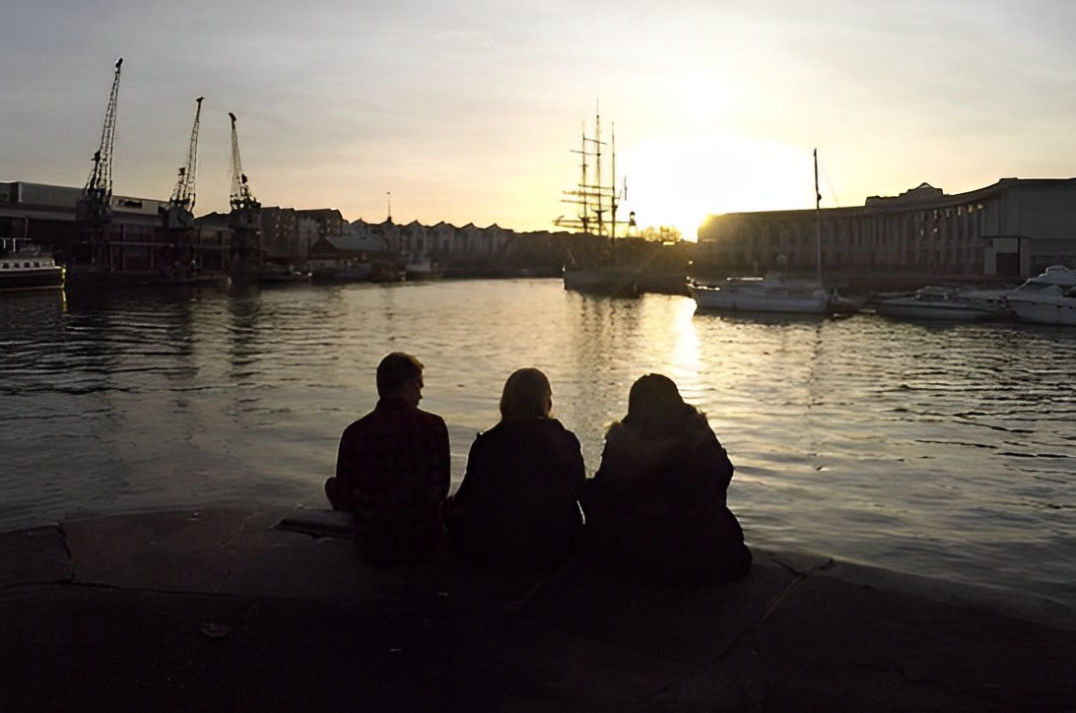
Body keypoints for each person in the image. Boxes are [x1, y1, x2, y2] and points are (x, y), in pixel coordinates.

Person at [584, 373, 751, 586]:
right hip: (705, 551)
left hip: (641, 554)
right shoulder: (700, 438)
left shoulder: (623, 443)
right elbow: (723, 474)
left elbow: (606, 491)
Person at [448, 368, 586, 572]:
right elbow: (578, 491)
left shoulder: (488, 443)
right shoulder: (565, 441)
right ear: (546, 402)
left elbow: (468, 497)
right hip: (554, 545)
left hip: (497, 547)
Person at [326, 352, 450, 565]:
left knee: (332, 485)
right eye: (420, 386)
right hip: (422, 537)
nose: (420, 395)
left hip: (373, 539)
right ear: (410, 385)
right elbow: (441, 488)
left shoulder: (355, 433)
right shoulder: (434, 426)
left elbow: (345, 497)